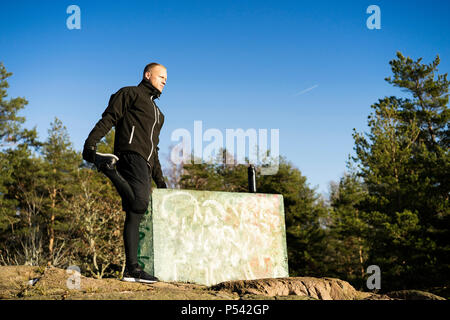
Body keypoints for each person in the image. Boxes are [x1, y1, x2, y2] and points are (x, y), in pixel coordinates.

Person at [82, 63, 168, 283]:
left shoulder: (159, 114)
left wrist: (161, 180)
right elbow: (110, 118)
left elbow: (154, 149)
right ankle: (107, 168)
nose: (164, 81)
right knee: (140, 203)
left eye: (166, 79)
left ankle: (131, 270)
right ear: (148, 75)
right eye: (161, 76)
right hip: (130, 154)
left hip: (146, 163)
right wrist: (91, 144)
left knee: (134, 213)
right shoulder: (130, 93)